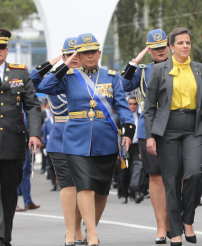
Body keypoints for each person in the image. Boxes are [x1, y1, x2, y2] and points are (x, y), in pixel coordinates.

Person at [39, 33, 135, 246]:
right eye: (84, 53)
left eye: (93, 52)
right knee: (84, 186)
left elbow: (122, 107)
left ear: (99, 53)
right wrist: (64, 65)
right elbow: (41, 85)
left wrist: (128, 132)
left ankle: (90, 227)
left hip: (106, 139)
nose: (89, 56)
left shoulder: (111, 77)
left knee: (101, 190)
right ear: (78, 55)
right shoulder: (69, 77)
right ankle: (91, 234)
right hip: (75, 140)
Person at [144, 27, 202, 245]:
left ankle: (188, 219)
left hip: (194, 128)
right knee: (172, 180)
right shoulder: (159, 71)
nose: (185, 46)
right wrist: (150, 136)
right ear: (171, 47)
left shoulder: (201, 69)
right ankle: (175, 230)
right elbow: (149, 108)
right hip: (167, 129)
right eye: (180, 43)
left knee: (195, 173)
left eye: (188, 43)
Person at [30, 37, 86, 245]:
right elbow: (33, 79)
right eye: (69, 55)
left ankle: (81, 227)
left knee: (85, 186)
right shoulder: (54, 78)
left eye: (77, 54)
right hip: (61, 136)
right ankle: (71, 231)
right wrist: (57, 61)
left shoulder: (89, 76)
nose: (74, 59)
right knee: (68, 185)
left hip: (84, 134)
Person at [120, 28, 170, 243]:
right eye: (155, 48)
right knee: (156, 176)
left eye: (163, 47)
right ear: (149, 50)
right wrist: (134, 62)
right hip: (148, 129)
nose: (160, 51)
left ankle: (173, 219)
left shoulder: (180, 67)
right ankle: (161, 226)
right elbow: (121, 85)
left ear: (169, 46)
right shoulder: (142, 70)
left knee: (180, 178)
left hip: (175, 127)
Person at [0, 28, 42, 246]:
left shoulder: (19, 72)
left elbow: (33, 106)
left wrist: (34, 133)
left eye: (2, 47)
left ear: (7, 50)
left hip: (11, 144)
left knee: (8, 195)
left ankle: (4, 238)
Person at [118, 96, 145, 204]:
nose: (132, 106)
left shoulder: (140, 117)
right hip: (125, 146)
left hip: (136, 146)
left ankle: (135, 193)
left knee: (137, 169)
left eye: (134, 104)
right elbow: (117, 134)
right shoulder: (122, 118)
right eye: (130, 104)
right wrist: (118, 151)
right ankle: (124, 194)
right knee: (124, 171)